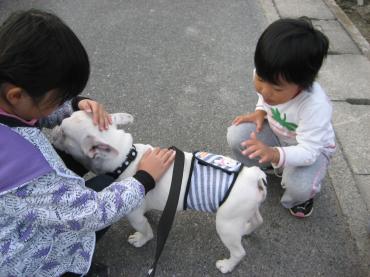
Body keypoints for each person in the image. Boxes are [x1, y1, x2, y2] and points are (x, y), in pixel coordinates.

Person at [0, 9, 175, 277]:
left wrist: (75, 105)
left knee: (99, 178)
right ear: (16, 94)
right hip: (20, 259)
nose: (60, 106)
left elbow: (32, 115)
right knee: (110, 184)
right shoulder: (26, 170)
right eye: (58, 98)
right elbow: (91, 212)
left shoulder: (9, 101)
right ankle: (68, 269)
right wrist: (144, 179)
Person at [227, 18, 336, 218]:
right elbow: (264, 96)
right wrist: (260, 111)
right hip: (279, 135)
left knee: (299, 187)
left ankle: (303, 198)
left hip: (310, 150)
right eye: (260, 78)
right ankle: (269, 166)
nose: (265, 91)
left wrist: (276, 153)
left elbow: (309, 152)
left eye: (276, 89)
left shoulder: (315, 105)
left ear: (302, 84)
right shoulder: (271, 72)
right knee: (237, 135)